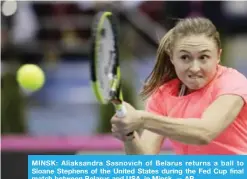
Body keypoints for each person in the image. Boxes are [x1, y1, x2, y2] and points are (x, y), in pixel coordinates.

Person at [111, 17, 247, 155]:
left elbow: (205, 133)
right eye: (185, 58)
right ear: (172, 58)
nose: (195, 68)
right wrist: (129, 135)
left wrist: (142, 119)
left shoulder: (233, 83)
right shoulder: (163, 95)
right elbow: (143, 165)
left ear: (218, 56)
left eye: (203, 57)